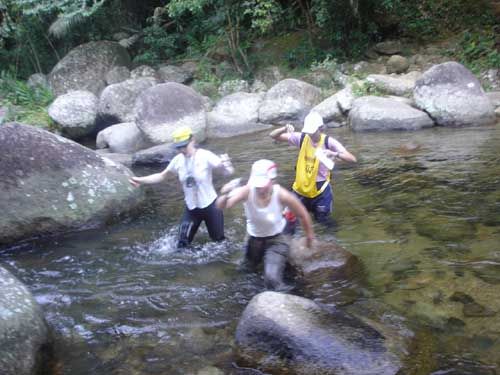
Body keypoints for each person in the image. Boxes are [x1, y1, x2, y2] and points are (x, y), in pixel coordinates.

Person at [216, 159, 314, 291]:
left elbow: (302, 215)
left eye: (264, 185)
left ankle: (295, 296)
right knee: (245, 271)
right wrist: (226, 194)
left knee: (271, 280)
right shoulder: (247, 191)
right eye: (257, 185)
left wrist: (309, 238)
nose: (260, 188)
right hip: (253, 239)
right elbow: (222, 206)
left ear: (272, 180)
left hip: (277, 240)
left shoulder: (282, 194)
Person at [129, 126, 234, 248]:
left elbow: (227, 172)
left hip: (211, 206)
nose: (182, 150)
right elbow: (162, 176)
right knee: (182, 244)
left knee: (219, 242)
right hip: (192, 208)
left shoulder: (206, 156)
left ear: (193, 140)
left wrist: (225, 164)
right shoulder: (177, 161)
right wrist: (140, 180)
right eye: (179, 147)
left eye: (184, 145)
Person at [269, 111, 356, 228]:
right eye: (308, 131)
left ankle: (332, 244)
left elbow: (352, 159)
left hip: (320, 191)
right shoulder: (302, 138)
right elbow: (273, 136)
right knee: (289, 222)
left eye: (312, 132)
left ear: (321, 128)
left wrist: (334, 154)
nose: (310, 135)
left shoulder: (328, 142)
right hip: (300, 190)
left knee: (323, 221)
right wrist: (284, 128)